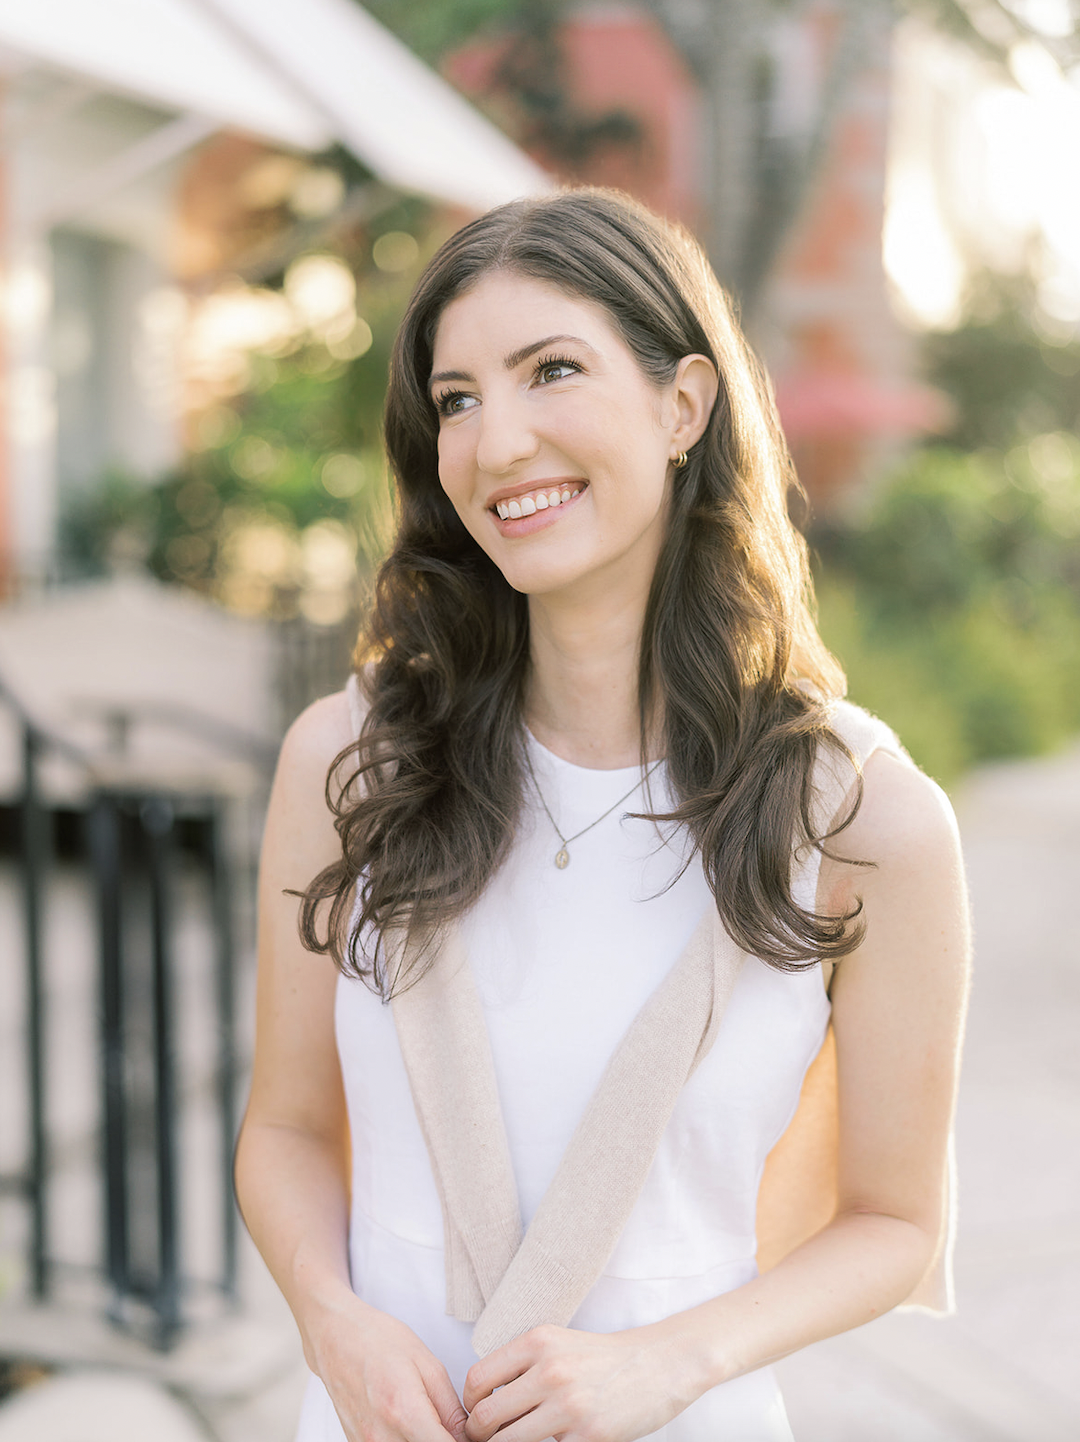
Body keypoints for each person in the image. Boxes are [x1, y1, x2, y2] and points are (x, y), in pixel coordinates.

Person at [235, 188, 970, 1442]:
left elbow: (895, 1223)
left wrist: (667, 1363)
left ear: (684, 405)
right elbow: (287, 1127)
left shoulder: (861, 819)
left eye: (551, 371)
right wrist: (330, 1322)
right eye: (456, 398)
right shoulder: (350, 760)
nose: (497, 441)